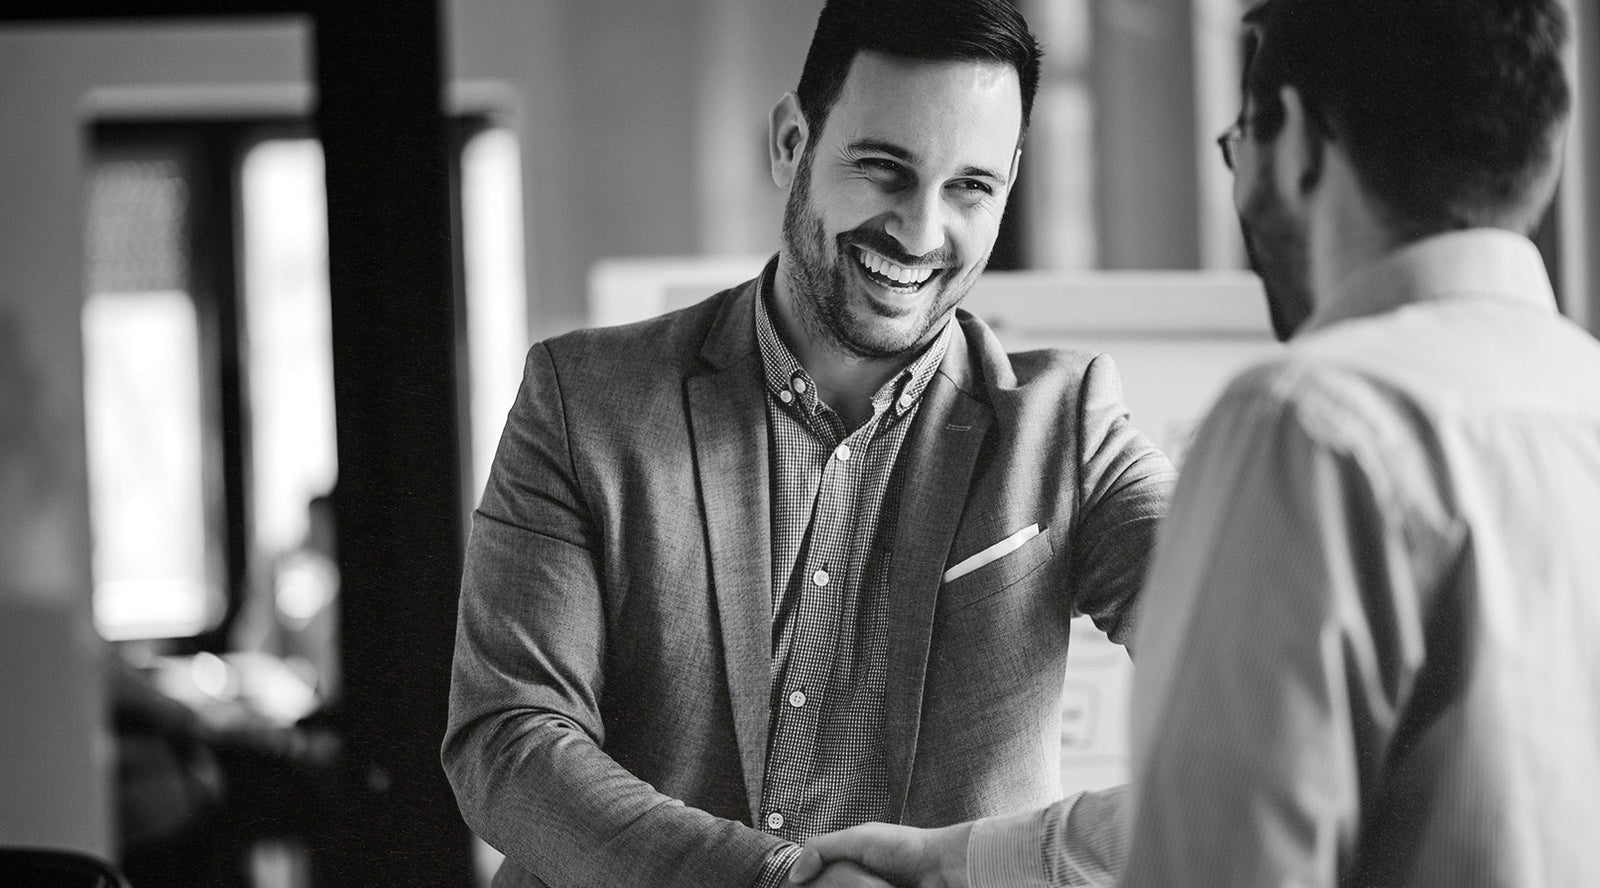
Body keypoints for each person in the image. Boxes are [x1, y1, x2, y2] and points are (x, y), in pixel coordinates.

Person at [790, 0, 1600, 885]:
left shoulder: (1311, 423)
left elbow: (1223, 855)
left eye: (1236, 141)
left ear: (1289, 139)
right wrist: (967, 859)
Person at [441, 1, 1176, 886]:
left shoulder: (1068, 426)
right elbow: (508, 741)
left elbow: (1264, 664)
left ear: (1010, 183)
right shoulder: (584, 401)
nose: (919, 230)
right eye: (883, 169)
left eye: (969, 188)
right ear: (792, 142)